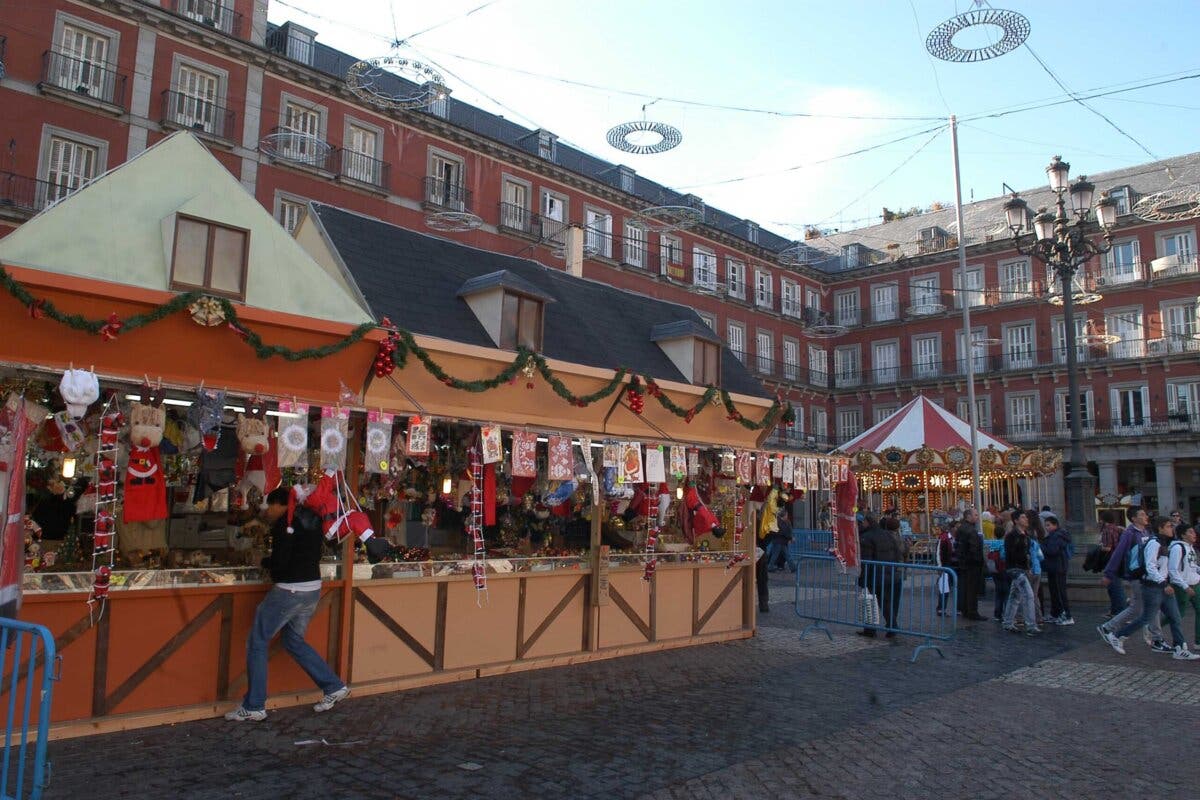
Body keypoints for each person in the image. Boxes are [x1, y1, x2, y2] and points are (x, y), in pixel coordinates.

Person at [226, 487, 351, 722]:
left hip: (289, 589)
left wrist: (263, 562)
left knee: (257, 641)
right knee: (293, 640)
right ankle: (333, 686)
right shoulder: (311, 518)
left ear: (281, 505)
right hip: (312, 588)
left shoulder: (286, 524)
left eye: (270, 505)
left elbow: (280, 562)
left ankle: (254, 705)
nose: (268, 511)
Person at [1107, 515, 1199, 660]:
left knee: (1175, 617)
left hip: (1163, 586)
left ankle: (1180, 648)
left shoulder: (1166, 543)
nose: (1171, 529)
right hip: (1152, 587)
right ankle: (1117, 636)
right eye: (1169, 526)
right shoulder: (1154, 543)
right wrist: (1163, 583)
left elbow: (1165, 567)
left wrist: (1167, 582)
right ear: (1160, 528)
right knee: (1146, 617)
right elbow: (1150, 567)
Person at [1099, 507, 1161, 646]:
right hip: (1137, 575)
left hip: (1146, 575)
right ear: (1133, 518)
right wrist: (1109, 573)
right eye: (1142, 514)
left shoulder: (1147, 531)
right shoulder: (1129, 533)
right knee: (1140, 607)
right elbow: (1118, 553)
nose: (1146, 516)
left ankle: (1156, 637)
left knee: (1147, 605)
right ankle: (1156, 637)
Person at [858, 512, 905, 638]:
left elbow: (866, 560)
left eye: (864, 522)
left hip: (874, 573)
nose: (862, 524)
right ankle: (891, 625)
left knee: (870, 602)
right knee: (885, 602)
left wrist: (863, 577)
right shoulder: (887, 534)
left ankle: (871, 628)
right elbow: (896, 553)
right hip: (889, 572)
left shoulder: (866, 537)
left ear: (868, 522)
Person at [1001, 511, 1040, 635]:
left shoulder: (1026, 535)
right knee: (1028, 595)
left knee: (1015, 596)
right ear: (1016, 520)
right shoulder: (1012, 536)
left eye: (1026, 517)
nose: (1026, 519)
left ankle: (1007, 622)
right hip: (1016, 569)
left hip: (1022, 568)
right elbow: (1012, 554)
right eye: (1023, 517)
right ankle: (1031, 625)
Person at [1167, 523, 1200, 650]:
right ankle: (1152, 625)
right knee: (1178, 614)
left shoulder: (1191, 548)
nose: (1194, 534)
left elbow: (1191, 566)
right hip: (1182, 586)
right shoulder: (1177, 548)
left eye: (1194, 532)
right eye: (1190, 532)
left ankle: (1198, 641)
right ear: (1183, 535)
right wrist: (1185, 586)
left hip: (1195, 583)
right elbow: (1173, 570)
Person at [1041, 514, 1074, 625]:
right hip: (1056, 566)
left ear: (1055, 525)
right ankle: (1056, 613)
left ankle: (1066, 615)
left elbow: (1052, 550)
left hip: (1057, 566)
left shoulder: (1056, 536)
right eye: (1046, 525)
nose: (1047, 527)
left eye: (1048, 525)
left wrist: (1042, 546)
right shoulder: (1058, 535)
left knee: (1059, 592)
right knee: (1055, 591)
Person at [954, 509, 986, 620]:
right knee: (972, 588)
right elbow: (974, 548)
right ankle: (972, 610)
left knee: (965, 587)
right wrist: (977, 560)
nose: (977, 517)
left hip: (964, 562)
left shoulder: (961, 528)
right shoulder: (971, 531)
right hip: (971, 564)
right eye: (976, 515)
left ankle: (965, 609)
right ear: (968, 516)